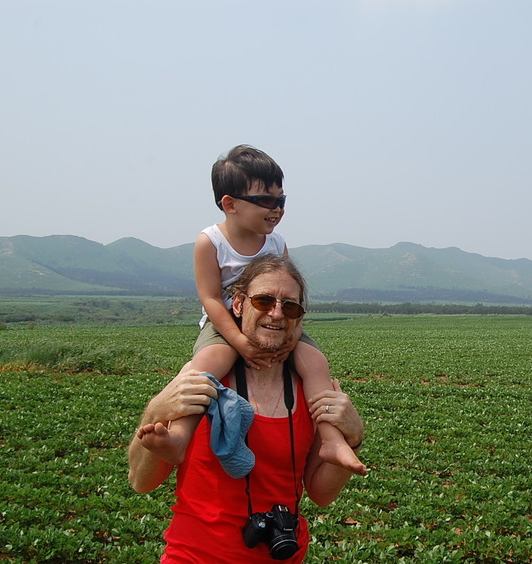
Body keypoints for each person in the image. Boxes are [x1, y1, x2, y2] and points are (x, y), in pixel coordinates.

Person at [128, 254, 365, 562]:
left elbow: (322, 494)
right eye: (263, 301)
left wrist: (354, 439)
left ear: (300, 318)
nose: (277, 314)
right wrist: (155, 410)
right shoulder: (203, 377)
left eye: (289, 306)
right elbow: (141, 482)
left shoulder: (310, 391)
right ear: (238, 305)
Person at [189, 144, 365, 475]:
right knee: (208, 364)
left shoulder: (276, 243)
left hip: (272, 320)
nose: (278, 209)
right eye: (267, 201)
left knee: (314, 361)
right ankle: (178, 433)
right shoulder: (210, 242)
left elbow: (286, 293)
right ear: (230, 204)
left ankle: (331, 438)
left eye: (281, 200)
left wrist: (291, 334)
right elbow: (211, 298)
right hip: (224, 324)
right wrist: (239, 343)